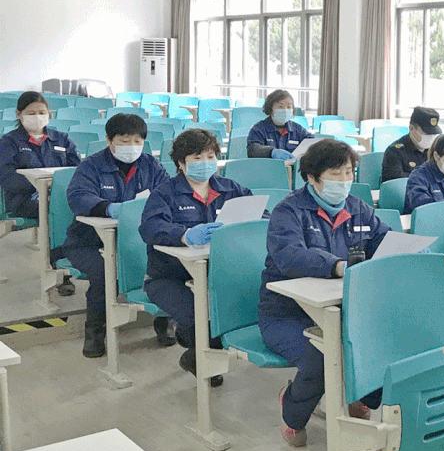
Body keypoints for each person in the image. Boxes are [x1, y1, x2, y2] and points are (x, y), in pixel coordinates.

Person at [259, 139, 390, 447]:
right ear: (312, 177)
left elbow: (384, 239)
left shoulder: (357, 208)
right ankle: (292, 412)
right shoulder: (288, 211)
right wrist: (337, 266)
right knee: (321, 356)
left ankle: (361, 396)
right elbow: (289, 255)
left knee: (382, 343)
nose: (344, 181)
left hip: (344, 310)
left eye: (349, 172)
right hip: (288, 314)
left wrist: (408, 252)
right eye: (335, 174)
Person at [140, 128, 255, 386]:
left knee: (231, 310)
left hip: (217, 275)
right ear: (181, 163)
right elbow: (150, 227)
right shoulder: (165, 193)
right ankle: (195, 346)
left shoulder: (231, 188)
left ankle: (195, 354)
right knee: (198, 315)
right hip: (169, 276)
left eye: (210, 156)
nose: (205, 163)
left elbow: (261, 215)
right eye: (197, 158)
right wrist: (184, 234)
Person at [62, 113, 171, 358]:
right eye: (124, 141)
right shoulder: (91, 165)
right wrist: (108, 208)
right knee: (104, 273)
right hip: (89, 241)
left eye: (137, 141)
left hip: (136, 240)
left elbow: (168, 193)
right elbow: (78, 196)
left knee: (167, 264)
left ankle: (165, 321)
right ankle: (95, 331)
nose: (131, 147)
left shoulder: (150, 165)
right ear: (109, 140)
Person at [0, 91, 81, 294]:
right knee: (56, 211)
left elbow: (77, 170)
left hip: (58, 197)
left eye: (42, 112)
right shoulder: (9, 142)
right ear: (19, 114)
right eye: (31, 113)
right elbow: (7, 177)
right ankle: (61, 270)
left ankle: (81, 262)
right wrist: (40, 186)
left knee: (72, 207)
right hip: (23, 199)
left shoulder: (61, 139)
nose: (37, 117)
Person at [247, 89, 315, 159]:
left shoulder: (298, 129)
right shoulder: (259, 129)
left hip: (292, 165)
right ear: (270, 108)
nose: (285, 110)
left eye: (289, 107)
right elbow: (252, 150)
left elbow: (312, 143)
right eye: (280, 107)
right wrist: (271, 152)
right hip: (267, 165)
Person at [381, 106, 441, 183]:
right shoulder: (395, 151)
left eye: (433, 133)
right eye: (427, 133)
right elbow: (395, 182)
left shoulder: (435, 150)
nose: (431, 137)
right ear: (411, 129)